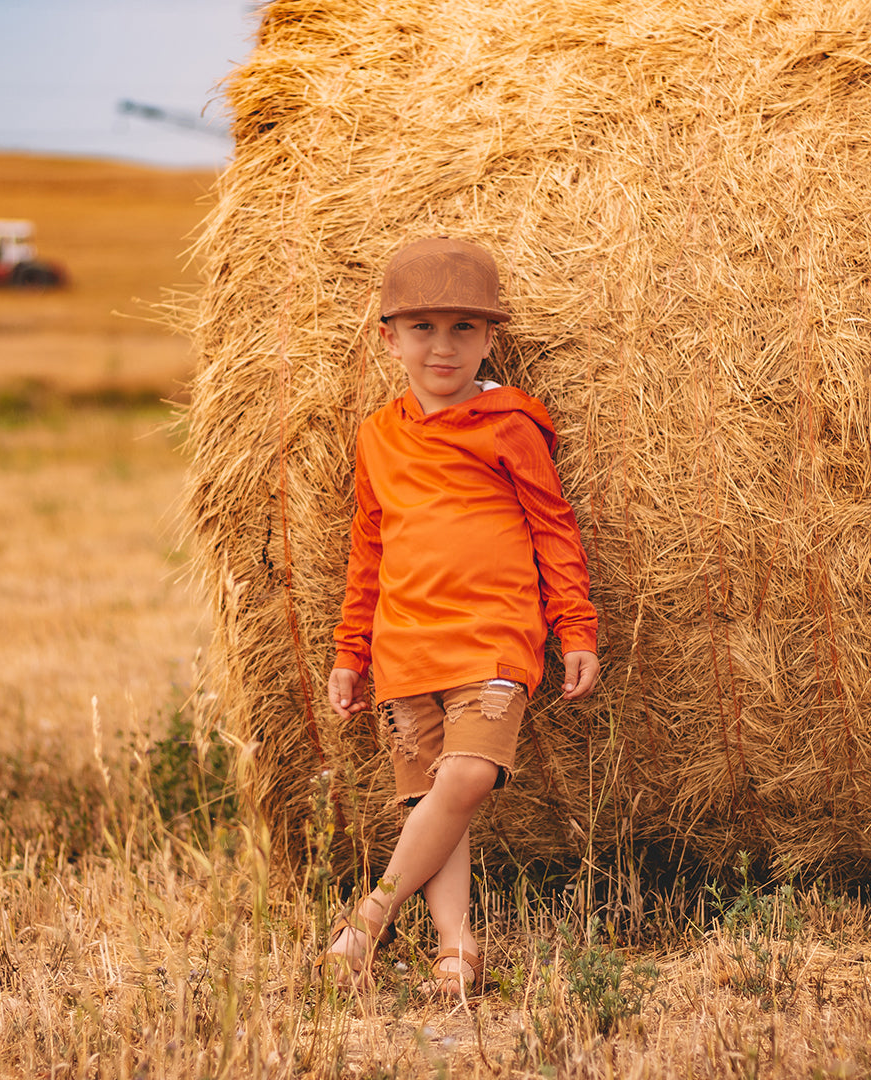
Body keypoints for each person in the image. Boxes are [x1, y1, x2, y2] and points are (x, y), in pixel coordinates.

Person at [316, 236, 600, 996]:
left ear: (490, 338)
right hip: (405, 647)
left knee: (468, 775)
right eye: (423, 329)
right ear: (390, 337)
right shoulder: (378, 436)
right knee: (434, 804)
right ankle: (455, 947)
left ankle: (371, 919)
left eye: (464, 329)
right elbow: (367, 549)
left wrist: (576, 629)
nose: (443, 348)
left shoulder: (511, 425)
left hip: (494, 642)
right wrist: (350, 653)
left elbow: (553, 526)